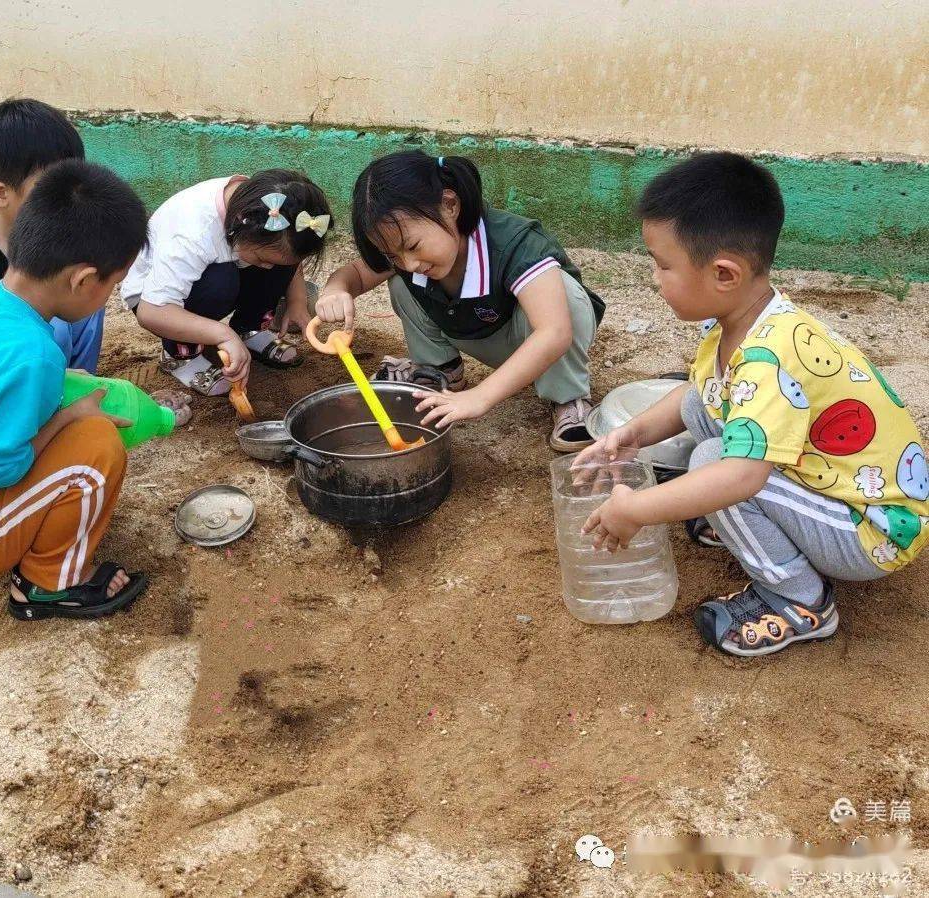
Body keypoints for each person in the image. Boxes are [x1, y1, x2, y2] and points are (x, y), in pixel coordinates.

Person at [575, 152, 928, 657]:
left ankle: (802, 602)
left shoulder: (768, 360)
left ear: (724, 274)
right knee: (703, 408)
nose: (655, 277)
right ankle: (756, 528)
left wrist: (636, 508)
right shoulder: (746, 319)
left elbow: (740, 477)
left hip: (871, 529)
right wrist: (636, 433)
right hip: (831, 482)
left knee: (716, 469)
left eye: (663, 265)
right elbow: (700, 393)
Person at [0, 160, 151, 621]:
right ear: (82, 280)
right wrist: (69, 418)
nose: (109, 295)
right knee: (96, 449)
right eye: (112, 285)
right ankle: (50, 584)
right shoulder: (34, 355)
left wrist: (67, 392)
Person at [315, 151, 605, 451]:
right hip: (479, 333)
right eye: (393, 255)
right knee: (402, 282)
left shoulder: (514, 244)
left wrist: (480, 397)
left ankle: (568, 398)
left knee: (563, 297)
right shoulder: (412, 255)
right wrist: (336, 289)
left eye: (412, 246)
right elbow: (357, 274)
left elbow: (554, 333)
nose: (409, 262)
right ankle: (441, 371)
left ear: (450, 205)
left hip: (540, 338)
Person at [0, 98, 105, 373]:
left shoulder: (55, 228)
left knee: (89, 295)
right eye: (52, 187)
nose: (69, 197)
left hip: (43, 355)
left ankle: (84, 391)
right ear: (0, 194)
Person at [121, 170, 332, 396]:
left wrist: (296, 300)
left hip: (226, 269)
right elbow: (150, 311)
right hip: (158, 301)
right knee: (220, 282)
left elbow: (288, 255)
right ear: (242, 228)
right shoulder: (193, 236)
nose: (269, 269)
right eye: (262, 259)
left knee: (269, 264)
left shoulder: (270, 213)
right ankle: (180, 355)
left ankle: (248, 329)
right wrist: (222, 335)